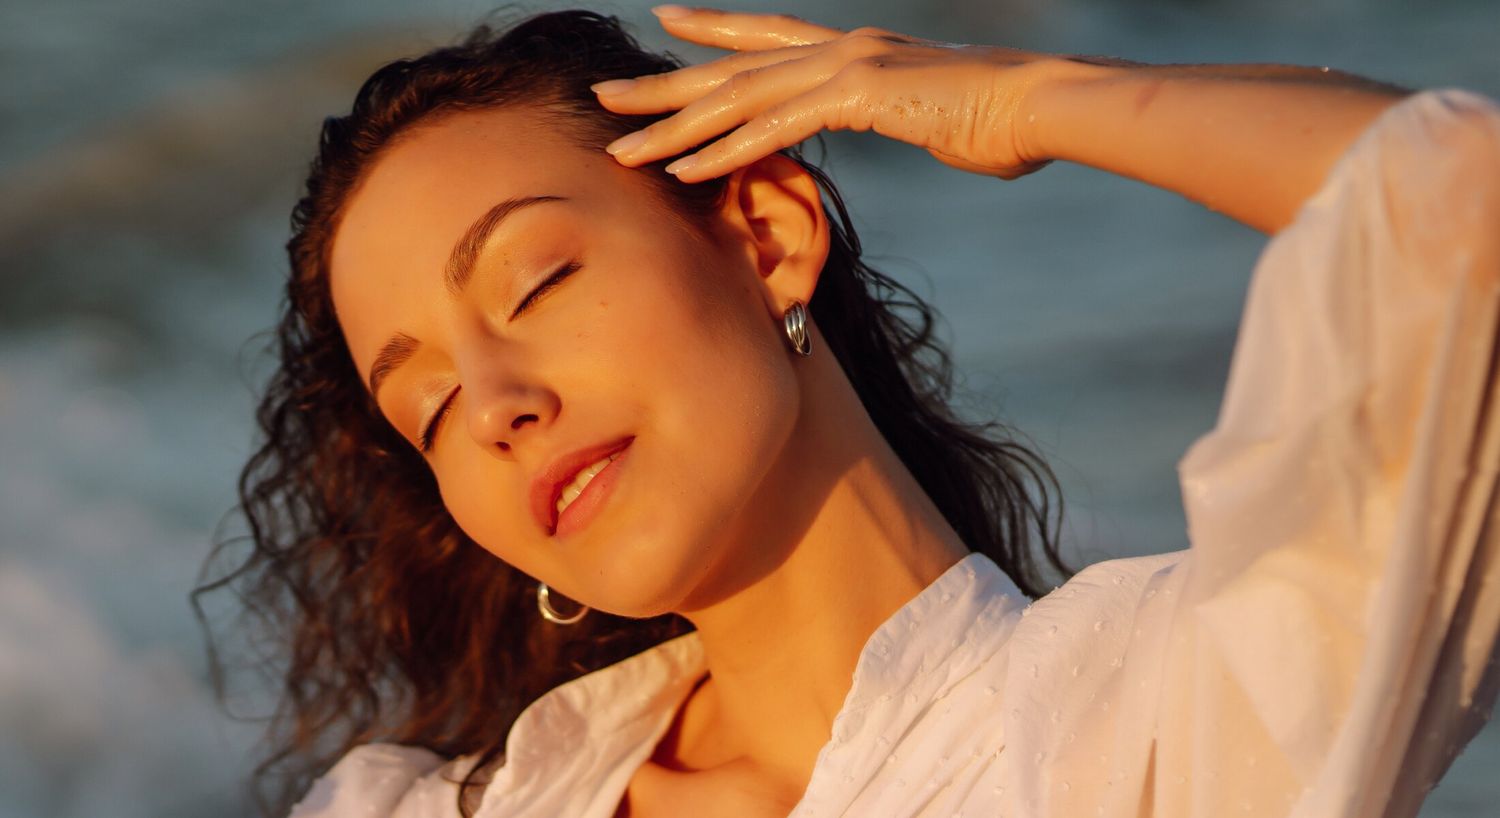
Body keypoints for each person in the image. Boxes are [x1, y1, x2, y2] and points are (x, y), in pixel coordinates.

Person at [193, 6, 1500, 818]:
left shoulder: (1151, 722)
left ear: (765, 234)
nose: (491, 406)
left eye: (535, 282)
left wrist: (1021, 98)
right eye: (425, 407)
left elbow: (1464, 203)